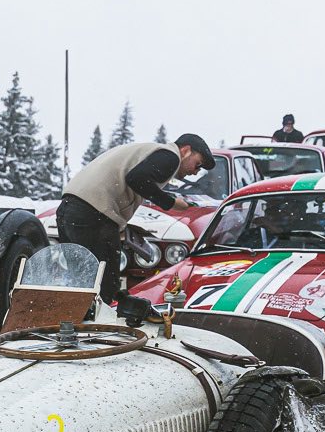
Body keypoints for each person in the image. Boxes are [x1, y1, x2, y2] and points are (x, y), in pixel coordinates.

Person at [57, 134, 211, 320]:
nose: (196, 172)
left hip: (69, 209)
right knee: (104, 284)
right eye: (198, 164)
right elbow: (137, 179)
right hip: (94, 213)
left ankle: (74, 326)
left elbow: (131, 179)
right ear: (186, 150)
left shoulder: (148, 152)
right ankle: (94, 333)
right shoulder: (170, 156)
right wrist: (170, 202)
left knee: (81, 281)